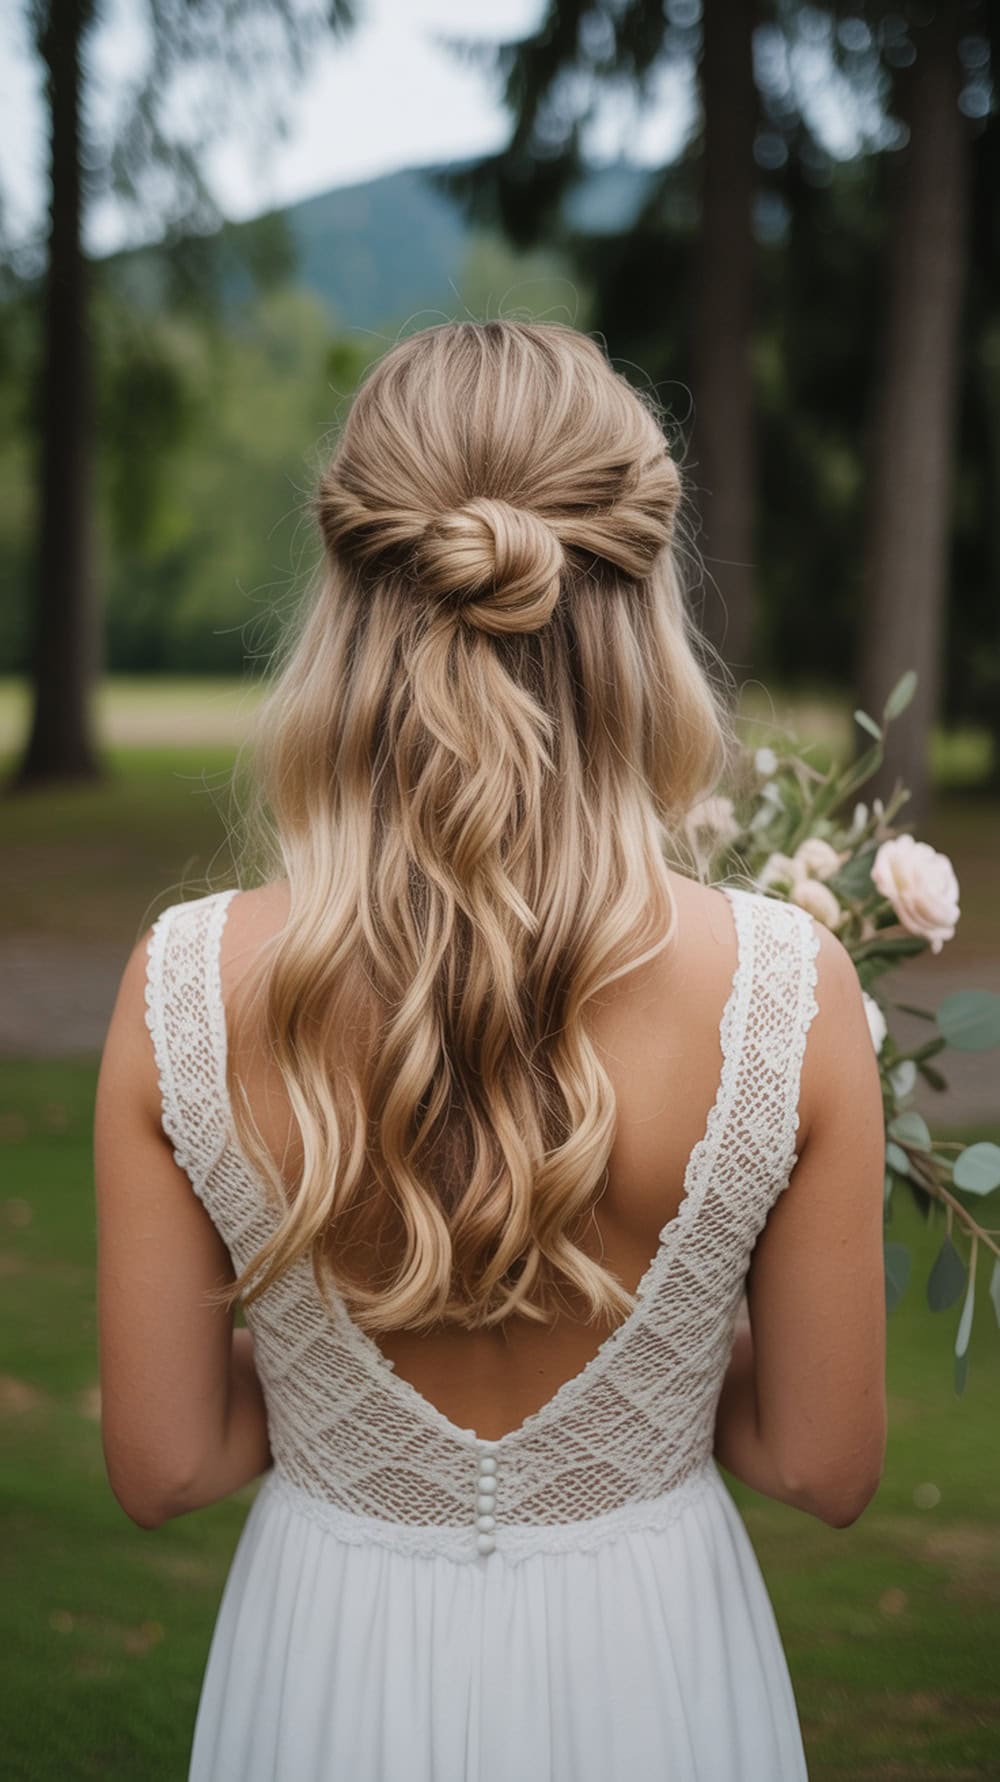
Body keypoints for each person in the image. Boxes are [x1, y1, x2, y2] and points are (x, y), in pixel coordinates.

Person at [94, 319, 887, 1781]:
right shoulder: (790, 989)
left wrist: (332, 1388)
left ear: (350, 596)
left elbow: (166, 1462)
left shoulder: (188, 987)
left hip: (327, 1662)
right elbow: (824, 1462)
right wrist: (666, 1363)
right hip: (655, 1664)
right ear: (638, 603)